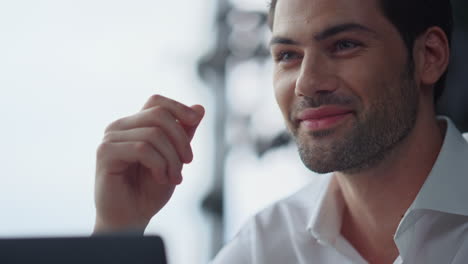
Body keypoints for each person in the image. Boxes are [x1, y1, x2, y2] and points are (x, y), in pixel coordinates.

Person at [93, 0, 468, 263]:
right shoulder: (267, 245)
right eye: (288, 55)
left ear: (429, 56)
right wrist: (119, 231)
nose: (307, 84)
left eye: (344, 45)